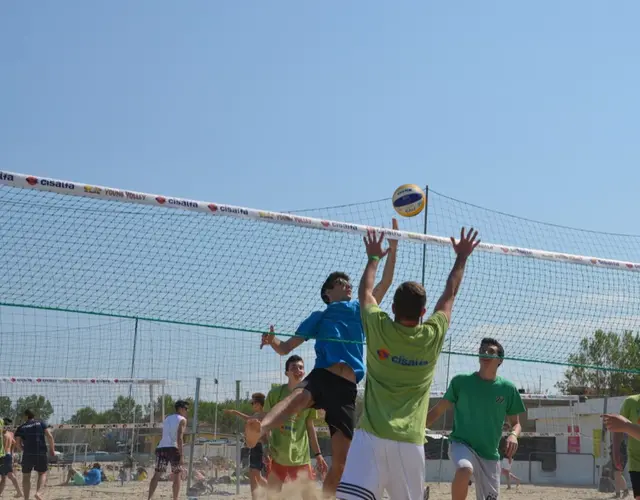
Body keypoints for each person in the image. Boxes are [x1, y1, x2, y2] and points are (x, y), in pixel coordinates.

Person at [246, 219, 399, 496]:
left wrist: (394, 247)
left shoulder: (359, 307)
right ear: (327, 293)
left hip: (347, 389)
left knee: (341, 463)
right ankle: (260, 427)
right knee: (296, 399)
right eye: (341, 283)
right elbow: (286, 347)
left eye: (349, 282)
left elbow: (385, 282)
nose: (348, 284)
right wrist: (271, 341)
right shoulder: (320, 316)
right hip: (323, 375)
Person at [336, 226, 480, 500]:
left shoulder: (379, 327)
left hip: (371, 439)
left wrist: (374, 257)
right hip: (409, 445)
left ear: (392, 308)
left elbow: (366, 292)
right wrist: (461, 257)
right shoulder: (431, 334)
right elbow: (449, 294)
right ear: (424, 312)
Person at [426, 338, 526, 500]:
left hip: (489, 454)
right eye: (483, 350)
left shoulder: (508, 389)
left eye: (491, 351)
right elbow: (438, 410)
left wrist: (513, 435)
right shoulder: (461, 382)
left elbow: (516, 424)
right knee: (465, 469)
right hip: (461, 444)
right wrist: (416, 429)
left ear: (500, 360)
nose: (486, 353)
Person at [263, 355, 328, 498]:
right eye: (293, 367)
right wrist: (266, 447)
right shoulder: (275, 394)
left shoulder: (309, 397)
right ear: (286, 373)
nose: (298, 370)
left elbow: (310, 428)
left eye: (301, 367)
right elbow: (265, 424)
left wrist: (318, 455)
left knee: (309, 496)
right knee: (272, 496)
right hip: (278, 455)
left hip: (301, 457)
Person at [224, 392, 268, 498]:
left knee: (256, 474)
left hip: (259, 447)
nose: (252, 405)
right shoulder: (257, 415)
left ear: (258, 404)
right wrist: (235, 412)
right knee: (253, 475)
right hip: (255, 447)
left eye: (253, 403)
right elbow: (248, 418)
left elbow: (266, 435)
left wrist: (267, 450)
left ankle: (274, 493)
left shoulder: (263, 415)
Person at [148, 399, 188, 500]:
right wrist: (182, 456)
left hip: (161, 448)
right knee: (177, 475)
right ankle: (175, 498)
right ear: (180, 408)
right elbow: (179, 438)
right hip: (173, 449)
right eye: (185, 408)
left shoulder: (166, 418)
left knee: (157, 475)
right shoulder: (182, 419)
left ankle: (149, 498)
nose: (186, 411)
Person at [14, 409, 55, 500]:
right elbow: (50, 436)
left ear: (26, 416)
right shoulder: (40, 423)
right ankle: (38, 493)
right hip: (40, 452)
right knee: (42, 473)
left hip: (28, 453)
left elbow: (17, 444)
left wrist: (23, 449)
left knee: (26, 476)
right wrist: (52, 449)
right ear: (34, 415)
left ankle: (26, 499)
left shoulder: (21, 427)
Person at [608, 396, 640, 500]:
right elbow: (618, 428)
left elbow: (623, 425)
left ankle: (623, 491)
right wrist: (616, 451)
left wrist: (626, 426)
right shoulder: (630, 402)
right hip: (636, 463)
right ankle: (620, 492)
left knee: (618, 475)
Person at [0, 417, 24, 498]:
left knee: (9, 475)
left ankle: (19, 492)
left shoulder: (3, 434)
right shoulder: (10, 434)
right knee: (4, 477)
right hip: (8, 455)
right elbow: (14, 443)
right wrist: (12, 452)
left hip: (3, 456)